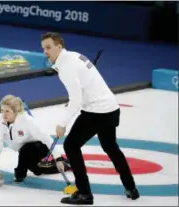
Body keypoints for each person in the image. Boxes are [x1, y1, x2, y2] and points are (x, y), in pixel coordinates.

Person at [41, 32, 140, 205]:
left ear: (59, 46)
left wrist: (62, 123)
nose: (45, 52)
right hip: (111, 108)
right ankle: (131, 188)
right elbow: (82, 89)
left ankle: (84, 193)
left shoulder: (66, 66)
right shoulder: (73, 56)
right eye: (43, 48)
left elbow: (76, 100)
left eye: (48, 47)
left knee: (71, 145)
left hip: (97, 112)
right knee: (110, 146)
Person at [0, 94, 70, 183]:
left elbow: (46, 138)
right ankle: (66, 163)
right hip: (25, 150)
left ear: (16, 111)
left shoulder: (27, 121)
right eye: (2, 110)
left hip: (39, 146)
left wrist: (58, 158)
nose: (3, 114)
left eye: (7, 111)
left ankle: (19, 175)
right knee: (37, 170)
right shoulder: (0, 120)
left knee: (25, 151)